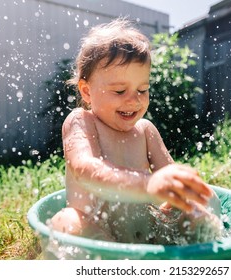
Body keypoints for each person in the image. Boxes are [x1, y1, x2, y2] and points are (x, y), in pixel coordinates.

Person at [51, 18, 221, 244]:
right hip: (99, 237)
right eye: (120, 91)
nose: (134, 100)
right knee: (67, 222)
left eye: (143, 89)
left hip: (148, 233)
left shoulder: (145, 131)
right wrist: (146, 184)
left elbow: (171, 179)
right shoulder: (81, 121)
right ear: (87, 91)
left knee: (205, 204)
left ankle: (202, 253)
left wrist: (183, 195)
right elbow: (84, 168)